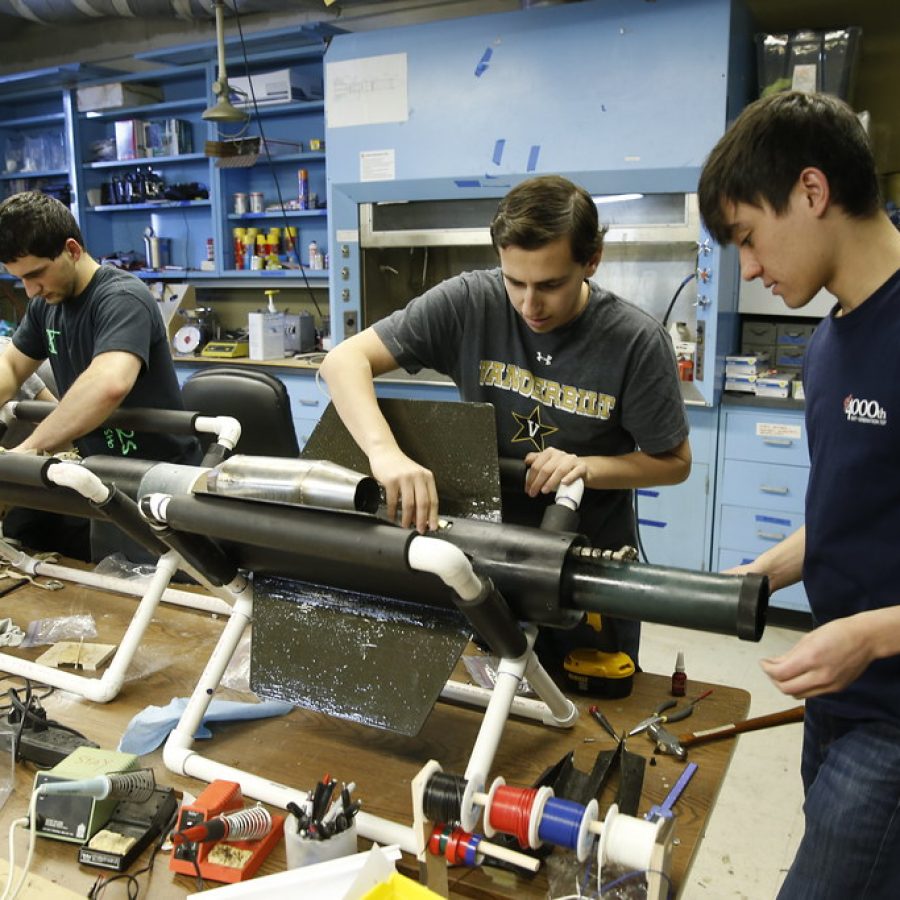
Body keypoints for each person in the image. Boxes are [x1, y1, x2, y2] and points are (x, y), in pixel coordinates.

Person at [320, 174, 691, 669]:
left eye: (551, 285)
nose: (529, 305)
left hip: (584, 569)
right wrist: (385, 453)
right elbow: (342, 362)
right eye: (515, 282)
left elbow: (674, 463)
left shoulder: (634, 341)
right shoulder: (470, 302)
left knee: (587, 715)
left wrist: (585, 468)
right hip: (477, 559)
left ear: (591, 261)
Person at [698, 90, 900, 899]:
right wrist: (758, 577)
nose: (747, 267)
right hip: (838, 698)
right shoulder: (828, 343)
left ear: (812, 193)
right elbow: (852, 514)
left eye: (748, 236)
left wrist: (872, 635)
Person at [0, 190, 199, 560]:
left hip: (161, 490)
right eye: (19, 280)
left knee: (181, 605)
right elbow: (11, 366)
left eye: (36, 274)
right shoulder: (46, 307)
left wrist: (28, 451)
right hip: (103, 483)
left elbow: (108, 384)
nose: (31, 290)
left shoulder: (122, 297)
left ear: (72, 250)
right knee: (113, 594)